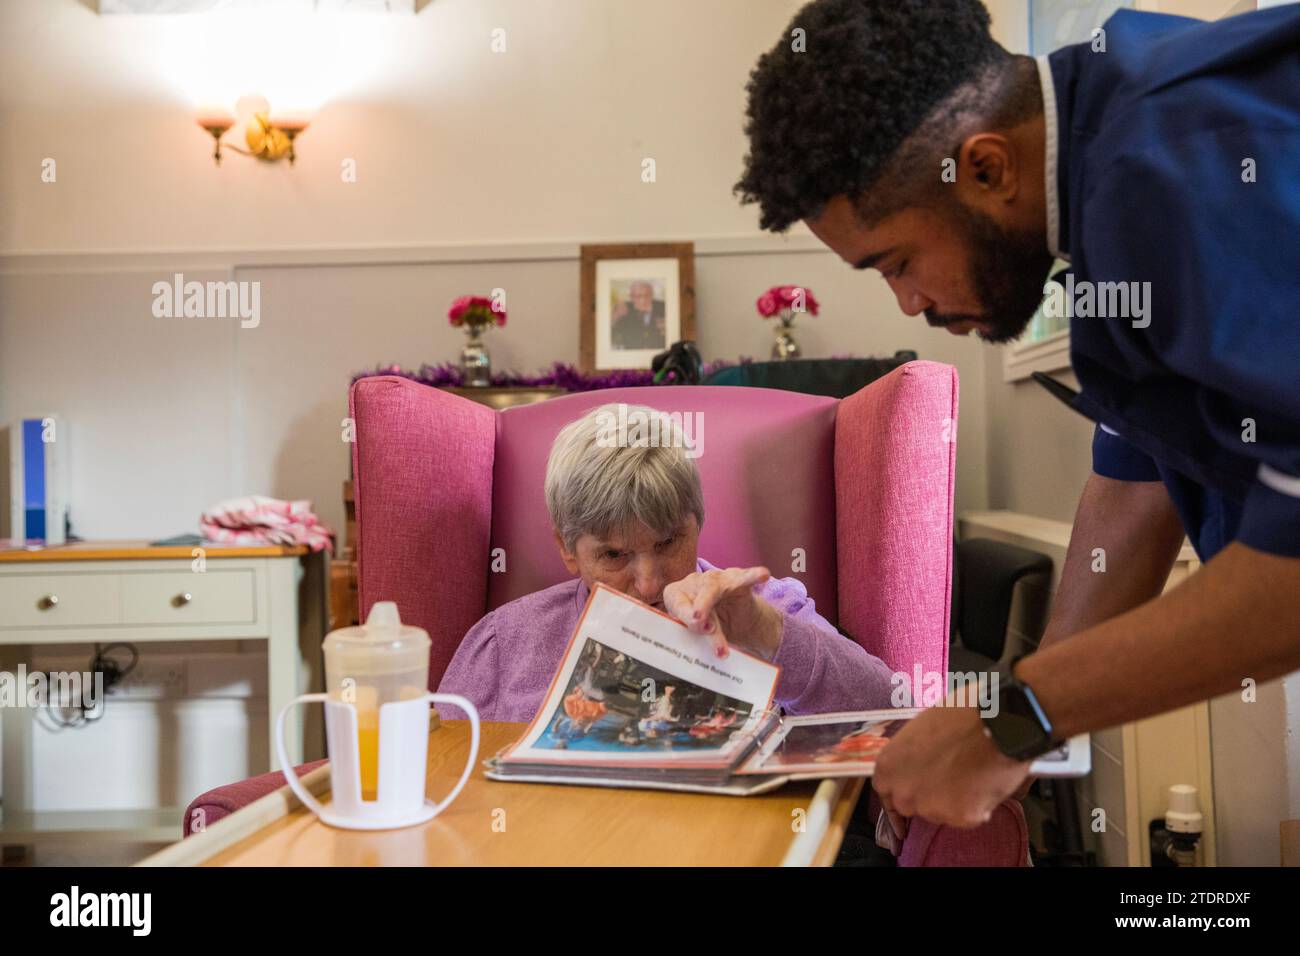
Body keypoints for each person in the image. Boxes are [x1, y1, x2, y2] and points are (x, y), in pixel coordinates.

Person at [735, 0, 1300, 827]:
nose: (909, 302)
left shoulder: (1177, 161)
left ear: (988, 168)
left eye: (896, 262)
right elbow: (1140, 468)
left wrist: (1011, 723)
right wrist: (1015, 729)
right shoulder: (1102, 159)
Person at [437, 402, 894, 723]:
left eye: (668, 542)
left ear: (698, 521)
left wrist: (765, 633)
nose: (651, 583)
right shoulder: (506, 643)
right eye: (614, 555)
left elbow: (896, 712)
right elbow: (440, 780)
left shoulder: (768, 610)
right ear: (567, 550)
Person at [610, 280, 667, 350]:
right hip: (631, 355)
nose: (643, 300)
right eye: (638, 296)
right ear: (631, 297)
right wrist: (615, 317)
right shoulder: (623, 308)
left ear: (652, 295)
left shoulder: (664, 306)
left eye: (647, 295)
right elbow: (611, 335)